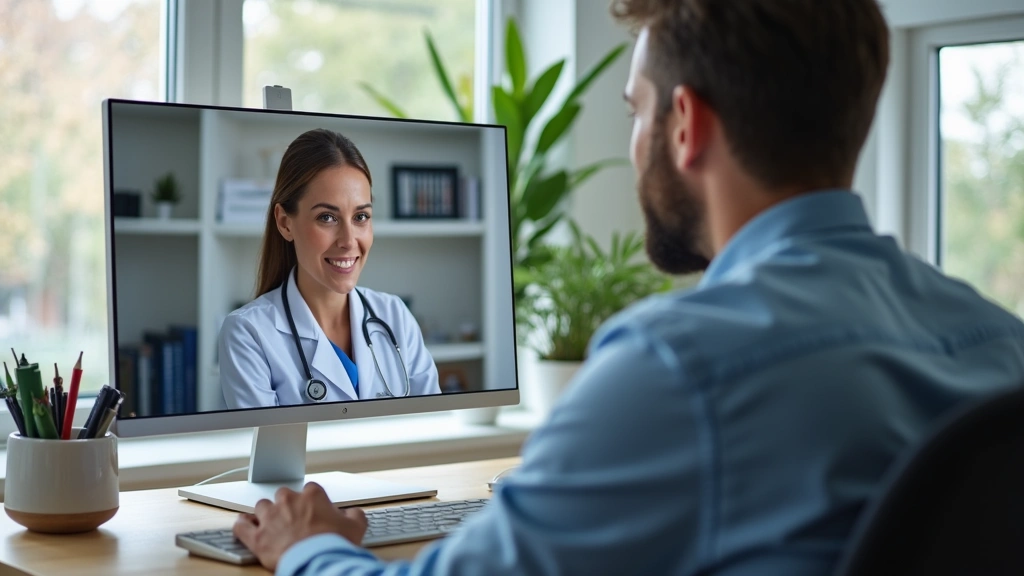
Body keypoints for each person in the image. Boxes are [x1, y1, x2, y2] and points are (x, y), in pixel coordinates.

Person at [232, 1, 1024, 574]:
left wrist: (308, 550)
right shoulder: (1002, 341)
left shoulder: (679, 366)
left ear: (686, 125)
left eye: (635, 109)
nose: (634, 137)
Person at [219, 128, 441, 408]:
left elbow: (433, 431)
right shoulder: (248, 333)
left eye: (361, 216)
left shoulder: (395, 316)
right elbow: (267, 450)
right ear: (285, 223)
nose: (349, 241)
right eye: (327, 217)